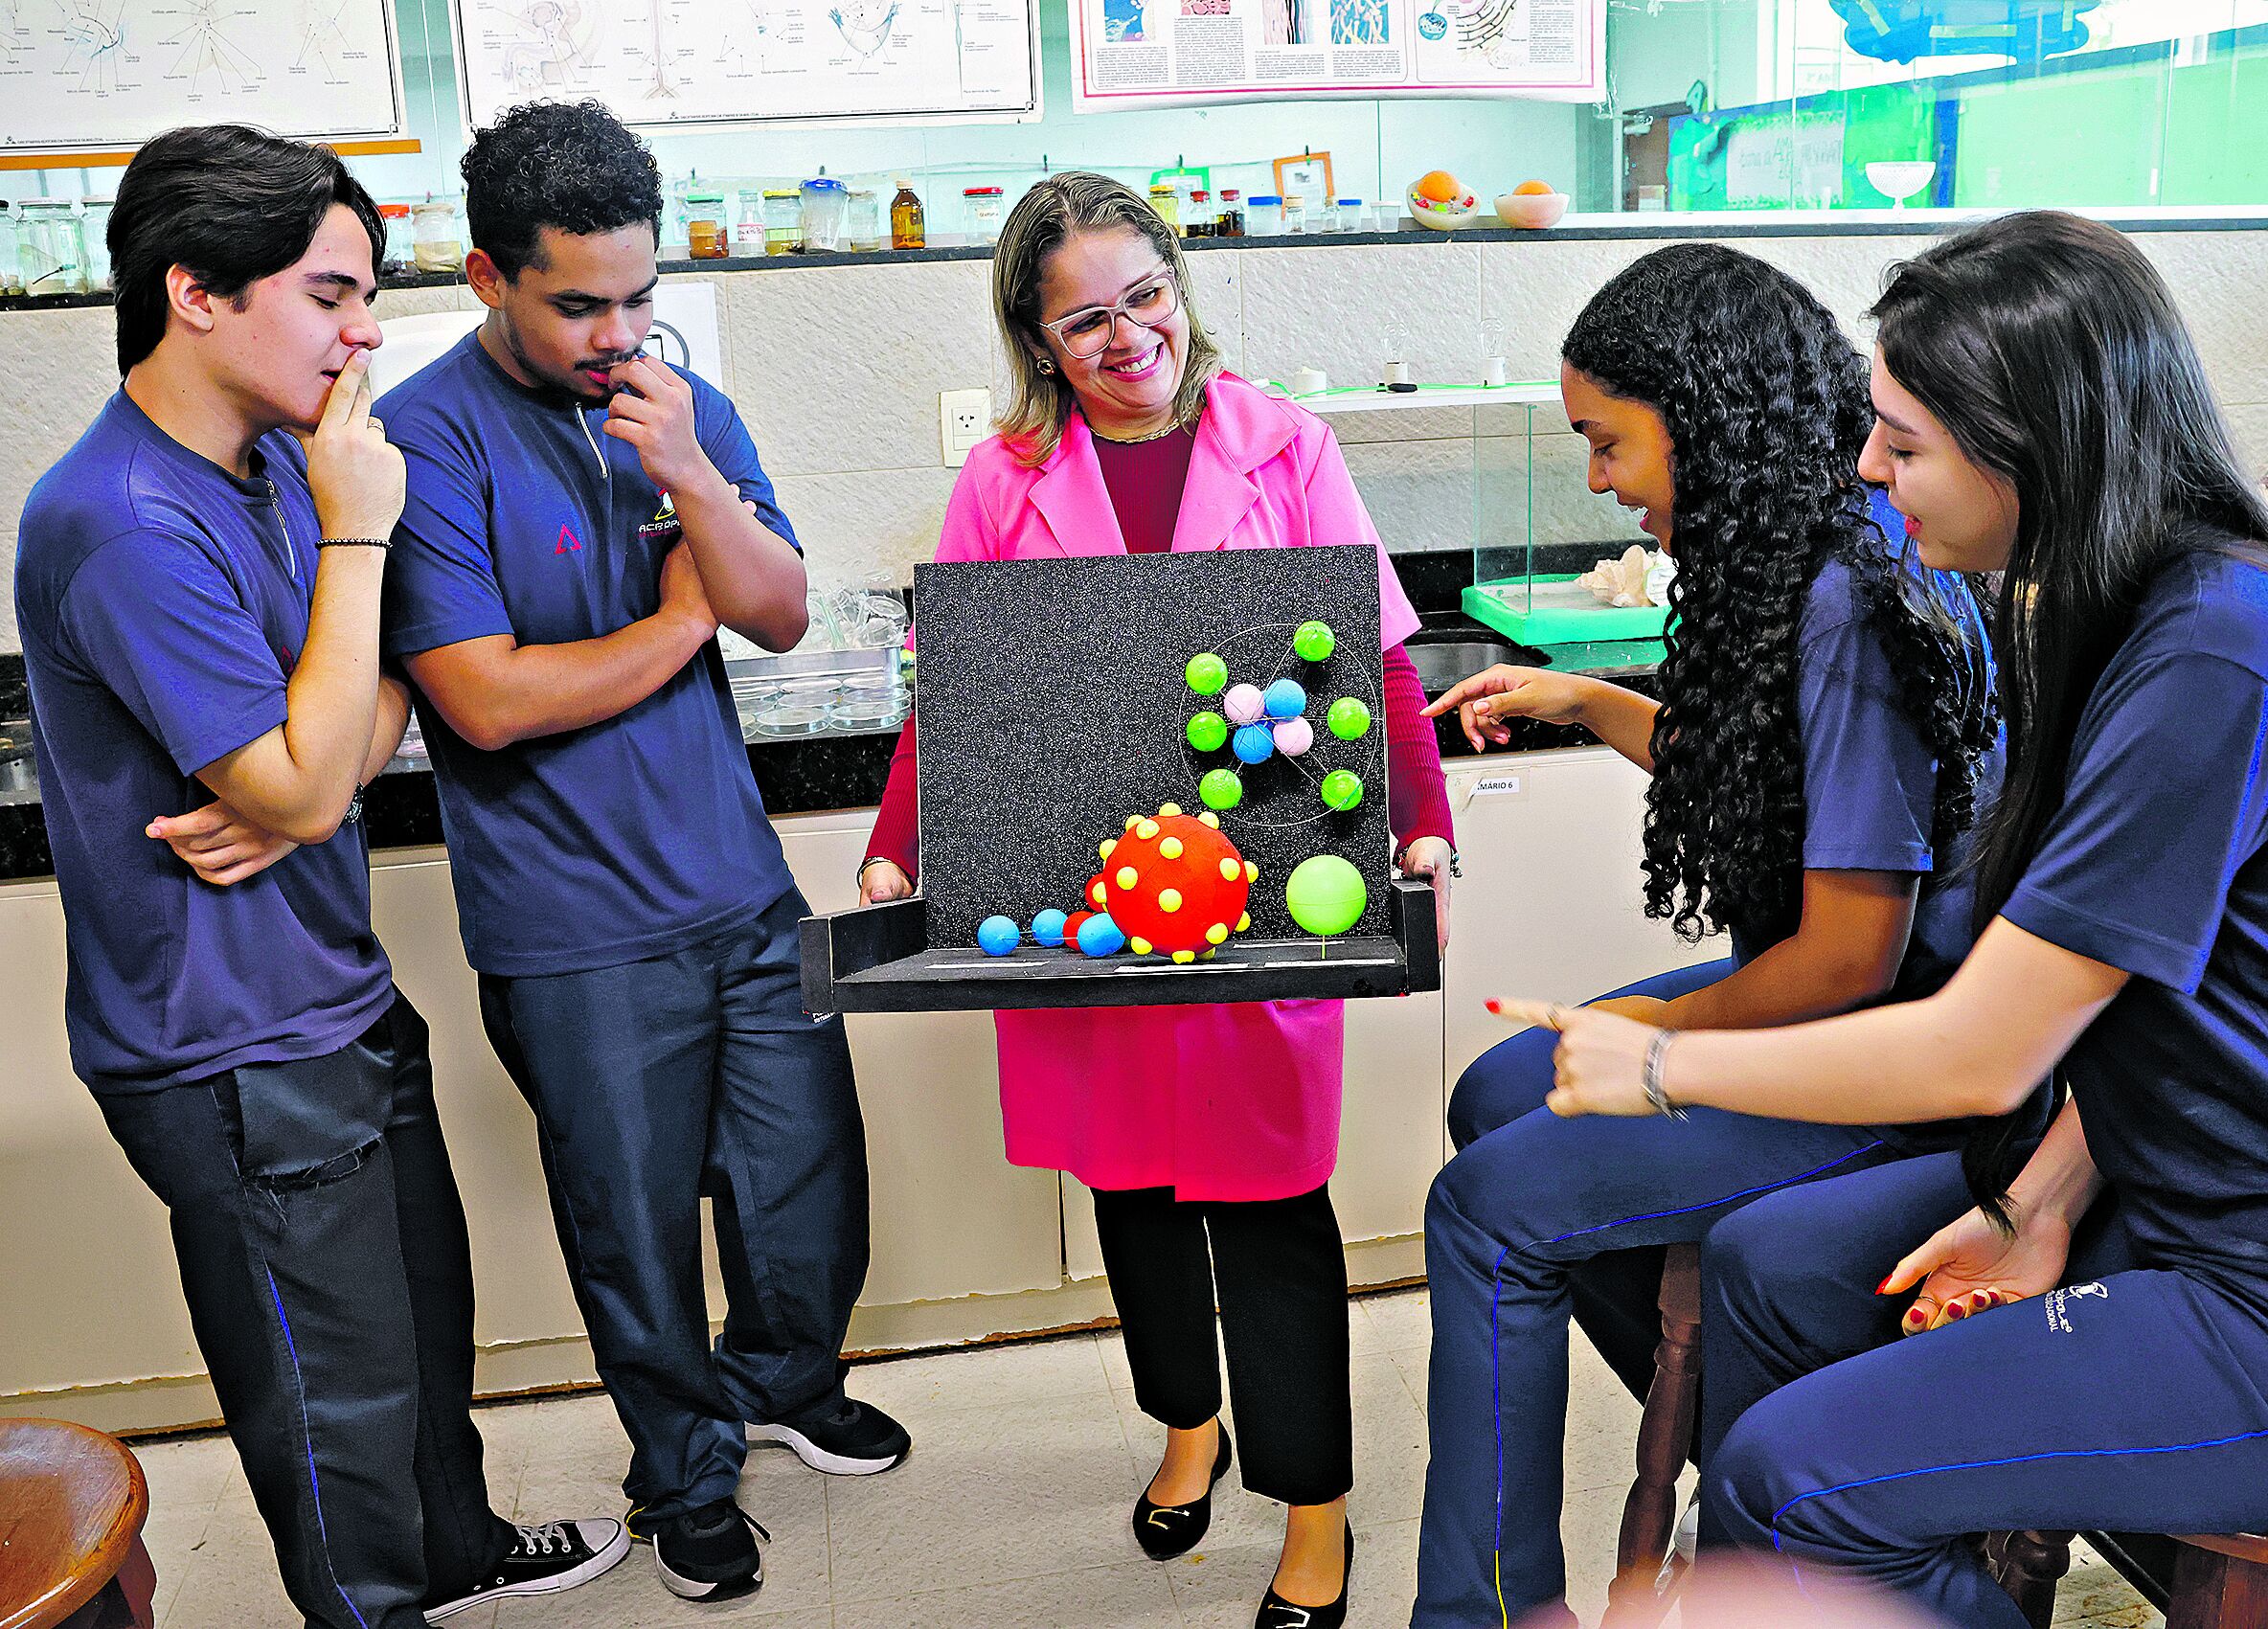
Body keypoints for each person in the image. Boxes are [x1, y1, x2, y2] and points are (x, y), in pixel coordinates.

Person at [1498, 211, 2268, 1629]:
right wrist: (2034, 1203)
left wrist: (1658, 1058)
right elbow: (2128, 994)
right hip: (2171, 1203)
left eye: (1905, 440)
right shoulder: (2116, 605)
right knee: (1771, 1280)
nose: (1869, 468)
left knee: (1790, 1476)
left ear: (2035, 445)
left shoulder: (2218, 650)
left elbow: (1986, 1050)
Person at [13, 125, 624, 1629]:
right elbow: (302, 760)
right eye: (333, 292)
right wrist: (313, 717)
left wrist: (305, 769)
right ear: (196, 292)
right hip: (230, 1049)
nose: (366, 332)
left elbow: (362, 716)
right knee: (329, 1401)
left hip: (330, 993)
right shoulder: (123, 520)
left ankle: (457, 1544)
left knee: (417, 1322)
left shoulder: (277, 457)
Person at [858, 170, 1454, 1629]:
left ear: (1180, 287)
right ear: (1037, 340)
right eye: (1083, 321)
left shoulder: (1285, 444)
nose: (1127, 339)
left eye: (1144, 298)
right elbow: (964, 693)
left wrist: (1421, 820)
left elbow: (1377, 652)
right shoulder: (1004, 479)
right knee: (1130, 1189)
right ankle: (1189, 1422)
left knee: (1266, 1206)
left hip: (1260, 893)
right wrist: (896, 846)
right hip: (1079, 897)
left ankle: (1315, 1513)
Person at [1406, 242, 2002, 1629]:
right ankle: (1720, 1388)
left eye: (1611, 445)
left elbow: (1851, 955)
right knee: (1495, 1094)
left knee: (1488, 1210)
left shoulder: (1854, 599)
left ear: (1711, 415)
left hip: (1904, 1050)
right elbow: (1757, 768)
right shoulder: (1791, 566)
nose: (1603, 480)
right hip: (1847, 1005)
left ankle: (1490, 1607)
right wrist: (1581, 699)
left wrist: (1649, 1039)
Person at [376, 100, 908, 1606]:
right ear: (487, 276)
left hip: (735, 886)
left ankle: (782, 1382)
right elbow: (483, 698)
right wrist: (681, 617)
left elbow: (786, 606)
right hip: (571, 927)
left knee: (808, 1184)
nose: (619, 331)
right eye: (579, 303)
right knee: (634, 1229)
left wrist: (688, 475)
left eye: (639, 296)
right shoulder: (423, 439)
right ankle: (680, 1472)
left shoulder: (682, 409)